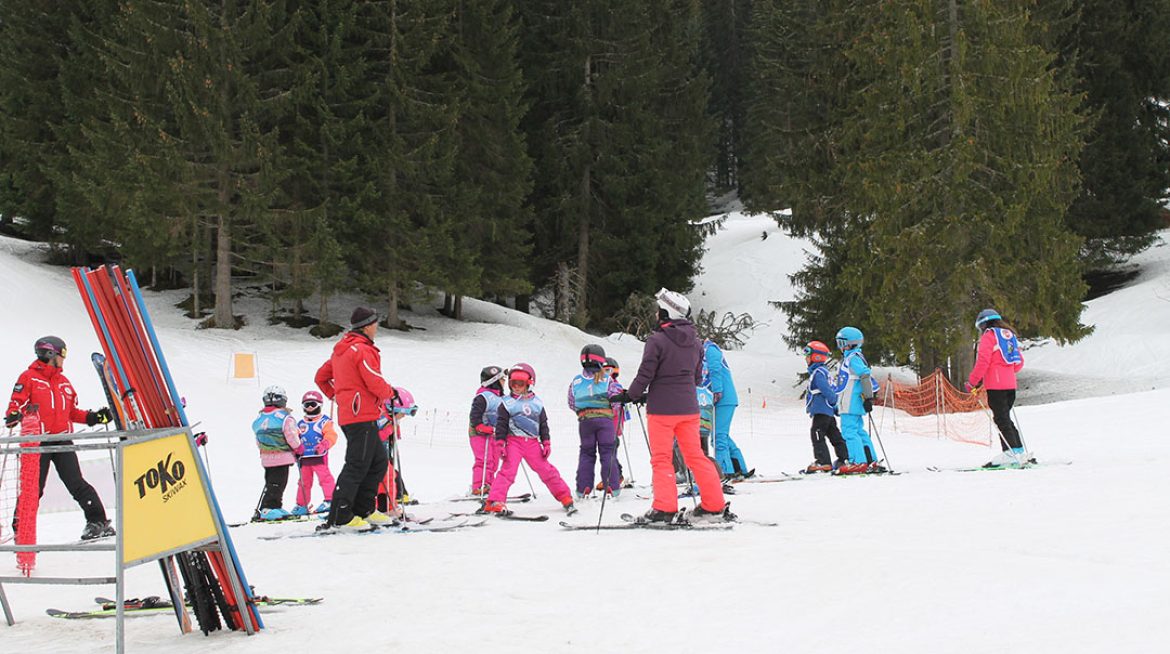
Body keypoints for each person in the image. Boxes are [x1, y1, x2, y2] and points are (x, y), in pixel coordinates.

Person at [616, 288, 732, 523]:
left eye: (659, 311)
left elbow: (646, 373)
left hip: (662, 411)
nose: (656, 315)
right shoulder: (697, 343)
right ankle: (714, 505)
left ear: (666, 314)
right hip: (689, 409)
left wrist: (632, 395)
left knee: (661, 458)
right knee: (695, 457)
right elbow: (697, 378)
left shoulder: (656, 340)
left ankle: (664, 508)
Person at [5, 336, 115, 540]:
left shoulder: (64, 382)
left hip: (62, 439)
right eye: (62, 354)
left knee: (76, 483)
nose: (64, 358)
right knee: (33, 489)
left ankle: (97, 521)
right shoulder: (29, 378)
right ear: (50, 354)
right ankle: (21, 529)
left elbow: (71, 413)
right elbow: (16, 403)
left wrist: (93, 417)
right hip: (37, 442)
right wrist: (13, 415)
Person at [313, 307, 397, 531]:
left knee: (378, 462)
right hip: (361, 415)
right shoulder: (360, 349)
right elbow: (374, 380)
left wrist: (339, 397)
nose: (376, 328)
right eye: (375, 324)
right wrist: (391, 393)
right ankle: (341, 516)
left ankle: (364, 508)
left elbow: (321, 378)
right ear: (368, 326)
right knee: (357, 465)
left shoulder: (343, 350)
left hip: (358, 414)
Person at [480, 364, 576, 515]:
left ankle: (565, 496)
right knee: (508, 471)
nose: (517, 387)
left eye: (521, 384)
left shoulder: (537, 403)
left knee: (546, 470)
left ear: (529, 383)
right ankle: (495, 501)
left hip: (532, 443)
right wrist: (500, 443)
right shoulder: (506, 403)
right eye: (513, 384)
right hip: (513, 442)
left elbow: (543, 424)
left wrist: (546, 442)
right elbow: (501, 425)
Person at [966, 309, 1029, 467]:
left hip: (996, 385)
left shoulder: (989, 337)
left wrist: (972, 382)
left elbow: (982, 363)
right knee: (1006, 418)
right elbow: (1019, 362)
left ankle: (1010, 453)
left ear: (983, 324)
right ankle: (1018, 450)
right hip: (1010, 385)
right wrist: (1007, 372)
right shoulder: (1009, 336)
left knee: (1001, 419)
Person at [568, 344, 622, 498]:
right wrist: (610, 410)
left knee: (586, 453)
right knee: (607, 452)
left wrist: (583, 411)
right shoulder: (607, 379)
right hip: (605, 421)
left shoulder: (576, 381)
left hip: (585, 421)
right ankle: (612, 487)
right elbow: (616, 401)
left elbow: (572, 402)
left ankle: (583, 488)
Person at [832, 326, 882, 474]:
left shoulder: (853, 358)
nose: (840, 347)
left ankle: (857, 461)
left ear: (852, 343)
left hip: (851, 403)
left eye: (842, 343)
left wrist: (868, 397)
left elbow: (865, 375)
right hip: (849, 402)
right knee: (859, 431)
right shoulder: (851, 358)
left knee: (849, 432)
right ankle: (869, 459)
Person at [251, 385, 303, 521]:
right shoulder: (284, 418)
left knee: (271, 481)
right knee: (278, 483)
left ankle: (274, 506)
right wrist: (298, 448)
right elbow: (291, 435)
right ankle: (269, 508)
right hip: (282, 456)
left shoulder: (260, 417)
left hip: (267, 457)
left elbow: (258, 438)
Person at [702, 338, 751, 480]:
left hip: (724, 398)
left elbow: (715, 370)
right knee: (721, 435)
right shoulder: (700, 352)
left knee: (718, 437)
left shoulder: (710, 349)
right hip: (716, 400)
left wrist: (717, 391)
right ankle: (739, 467)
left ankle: (725, 470)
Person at [803, 341, 848, 473]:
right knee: (834, 435)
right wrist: (833, 407)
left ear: (816, 357)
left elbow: (827, 390)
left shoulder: (818, 373)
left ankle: (823, 461)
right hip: (827, 411)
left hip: (821, 411)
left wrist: (834, 402)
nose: (806, 359)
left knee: (816, 434)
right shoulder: (823, 372)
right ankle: (843, 458)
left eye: (808, 356)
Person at [292, 391, 336, 516]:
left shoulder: (324, 421)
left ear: (320, 405)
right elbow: (296, 437)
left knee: (325, 478)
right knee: (303, 481)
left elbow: (331, 435)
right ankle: (302, 504)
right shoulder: (300, 423)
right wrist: (296, 448)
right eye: (307, 405)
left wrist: (324, 444)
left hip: (319, 456)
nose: (310, 407)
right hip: (304, 457)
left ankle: (330, 500)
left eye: (313, 404)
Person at [375, 387, 417, 513]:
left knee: (390, 477)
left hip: (385, 453)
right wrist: (390, 429)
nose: (404, 416)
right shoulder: (382, 418)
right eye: (403, 412)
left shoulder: (391, 419)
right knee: (384, 479)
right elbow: (377, 437)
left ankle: (389, 505)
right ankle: (384, 506)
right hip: (377, 455)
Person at [468, 366, 507, 495]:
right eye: (502, 379)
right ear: (494, 381)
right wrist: (480, 426)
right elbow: (474, 415)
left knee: (494, 460)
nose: (504, 381)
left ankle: (489, 485)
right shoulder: (483, 397)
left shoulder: (502, 398)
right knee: (484, 460)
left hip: (494, 433)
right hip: (479, 433)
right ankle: (479, 486)